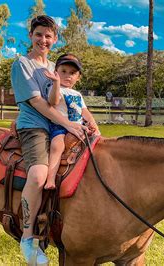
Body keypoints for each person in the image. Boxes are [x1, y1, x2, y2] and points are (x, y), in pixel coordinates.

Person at [11, 15, 87, 264]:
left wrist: (89, 124)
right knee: (38, 175)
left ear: (54, 39)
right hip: (35, 126)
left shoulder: (56, 67)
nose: (43, 40)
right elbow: (37, 103)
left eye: (48, 36)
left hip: (59, 126)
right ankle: (28, 237)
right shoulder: (22, 64)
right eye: (38, 34)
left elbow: (71, 99)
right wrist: (67, 124)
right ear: (31, 36)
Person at [43, 53, 100, 189]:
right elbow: (53, 101)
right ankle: (50, 179)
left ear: (78, 77)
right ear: (55, 72)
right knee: (57, 146)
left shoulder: (77, 94)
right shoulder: (56, 88)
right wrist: (56, 83)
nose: (68, 75)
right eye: (63, 71)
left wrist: (93, 124)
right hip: (60, 126)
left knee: (96, 144)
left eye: (72, 73)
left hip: (79, 127)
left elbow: (84, 111)